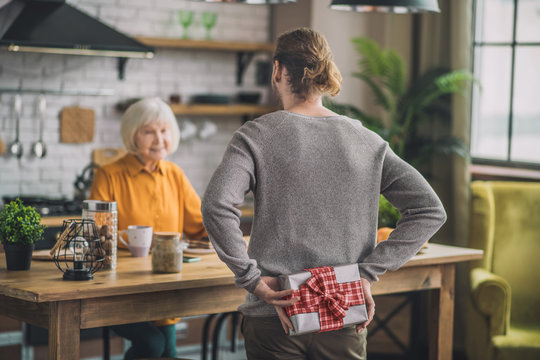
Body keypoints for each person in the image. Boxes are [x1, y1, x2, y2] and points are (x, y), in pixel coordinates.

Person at [201, 28, 447, 360]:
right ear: (324, 73)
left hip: (276, 315)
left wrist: (252, 279)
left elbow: (217, 205)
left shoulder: (256, 135)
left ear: (278, 70)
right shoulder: (366, 141)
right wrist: (366, 273)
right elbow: (430, 209)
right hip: (342, 312)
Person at [89, 97, 208, 359]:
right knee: (154, 346)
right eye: (148, 132)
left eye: (164, 131)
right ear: (133, 135)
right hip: (120, 289)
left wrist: (225, 230)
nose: (159, 139)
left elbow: (200, 226)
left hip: (164, 285)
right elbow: (96, 236)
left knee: (167, 353)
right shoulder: (108, 174)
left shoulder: (175, 174)